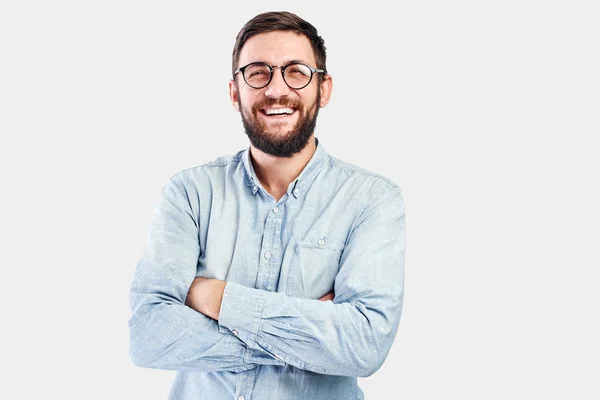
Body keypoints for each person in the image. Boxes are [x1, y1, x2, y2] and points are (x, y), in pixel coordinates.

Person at [129, 10, 405, 400]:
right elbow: (148, 336)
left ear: (323, 89)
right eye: (258, 72)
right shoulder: (189, 193)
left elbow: (364, 346)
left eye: (296, 71)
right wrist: (311, 334)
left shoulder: (372, 199)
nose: (277, 89)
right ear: (234, 91)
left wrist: (216, 297)